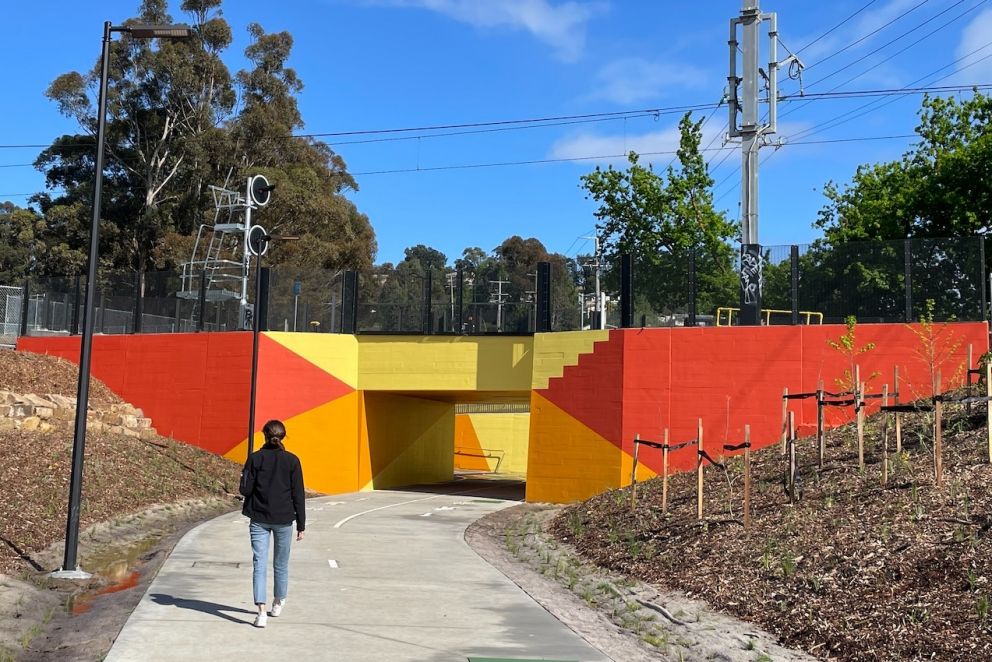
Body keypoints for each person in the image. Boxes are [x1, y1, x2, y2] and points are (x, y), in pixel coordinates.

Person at [239, 419, 306, 628]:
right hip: (284, 519)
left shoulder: (255, 459)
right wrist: (301, 525)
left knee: (259, 564)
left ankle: (261, 613)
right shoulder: (292, 461)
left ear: (264, 435)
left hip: (259, 518)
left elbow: (245, 490)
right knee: (281, 564)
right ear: (283, 436)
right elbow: (298, 495)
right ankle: (278, 602)